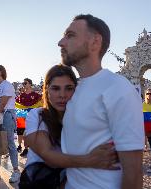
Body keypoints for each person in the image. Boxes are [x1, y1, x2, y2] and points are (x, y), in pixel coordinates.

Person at [58, 14, 144, 189]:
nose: (61, 42)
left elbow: (133, 174)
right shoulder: (74, 90)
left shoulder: (117, 89)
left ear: (95, 42)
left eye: (70, 35)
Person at [21, 64, 118, 188]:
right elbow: (47, 155)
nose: (62, 95)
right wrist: (89, 160)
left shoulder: (84, 118)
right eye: (56, 88)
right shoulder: (37, 115)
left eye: (69, 88)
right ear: (46, 90)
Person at [16, 78, 42, 157]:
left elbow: (42, 102)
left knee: (27, 133)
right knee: (20, 133)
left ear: (30, 84)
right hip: (21, 115)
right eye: (23, 83)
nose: (24, 85)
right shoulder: (22, 95)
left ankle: (27, 149)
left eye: (25, 83)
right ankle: (21, 146)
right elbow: (16, 103)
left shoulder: (35, 95)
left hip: (31, 116)